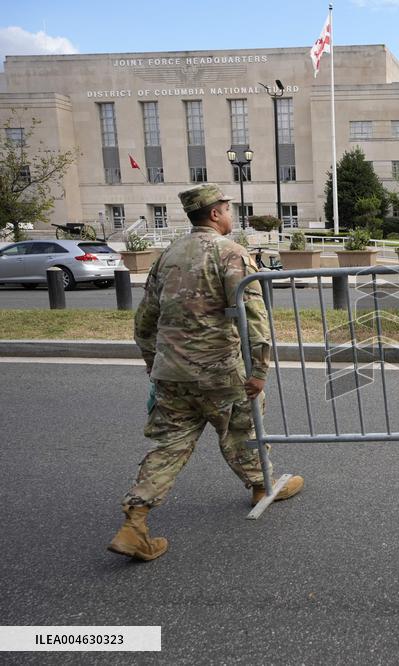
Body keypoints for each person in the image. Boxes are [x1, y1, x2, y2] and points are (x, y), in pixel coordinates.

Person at [108, 183, 303, 562]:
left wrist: (153, 362)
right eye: (228, 208)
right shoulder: (232, 254)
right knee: (242, 430)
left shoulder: (167, 255)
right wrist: (259, 368)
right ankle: (262, 486)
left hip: (172, 373)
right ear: (215, 213)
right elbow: (253, 316)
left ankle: (135, 522)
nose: (231, 214)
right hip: (221, 371)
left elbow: (145, 319)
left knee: (169, 445)